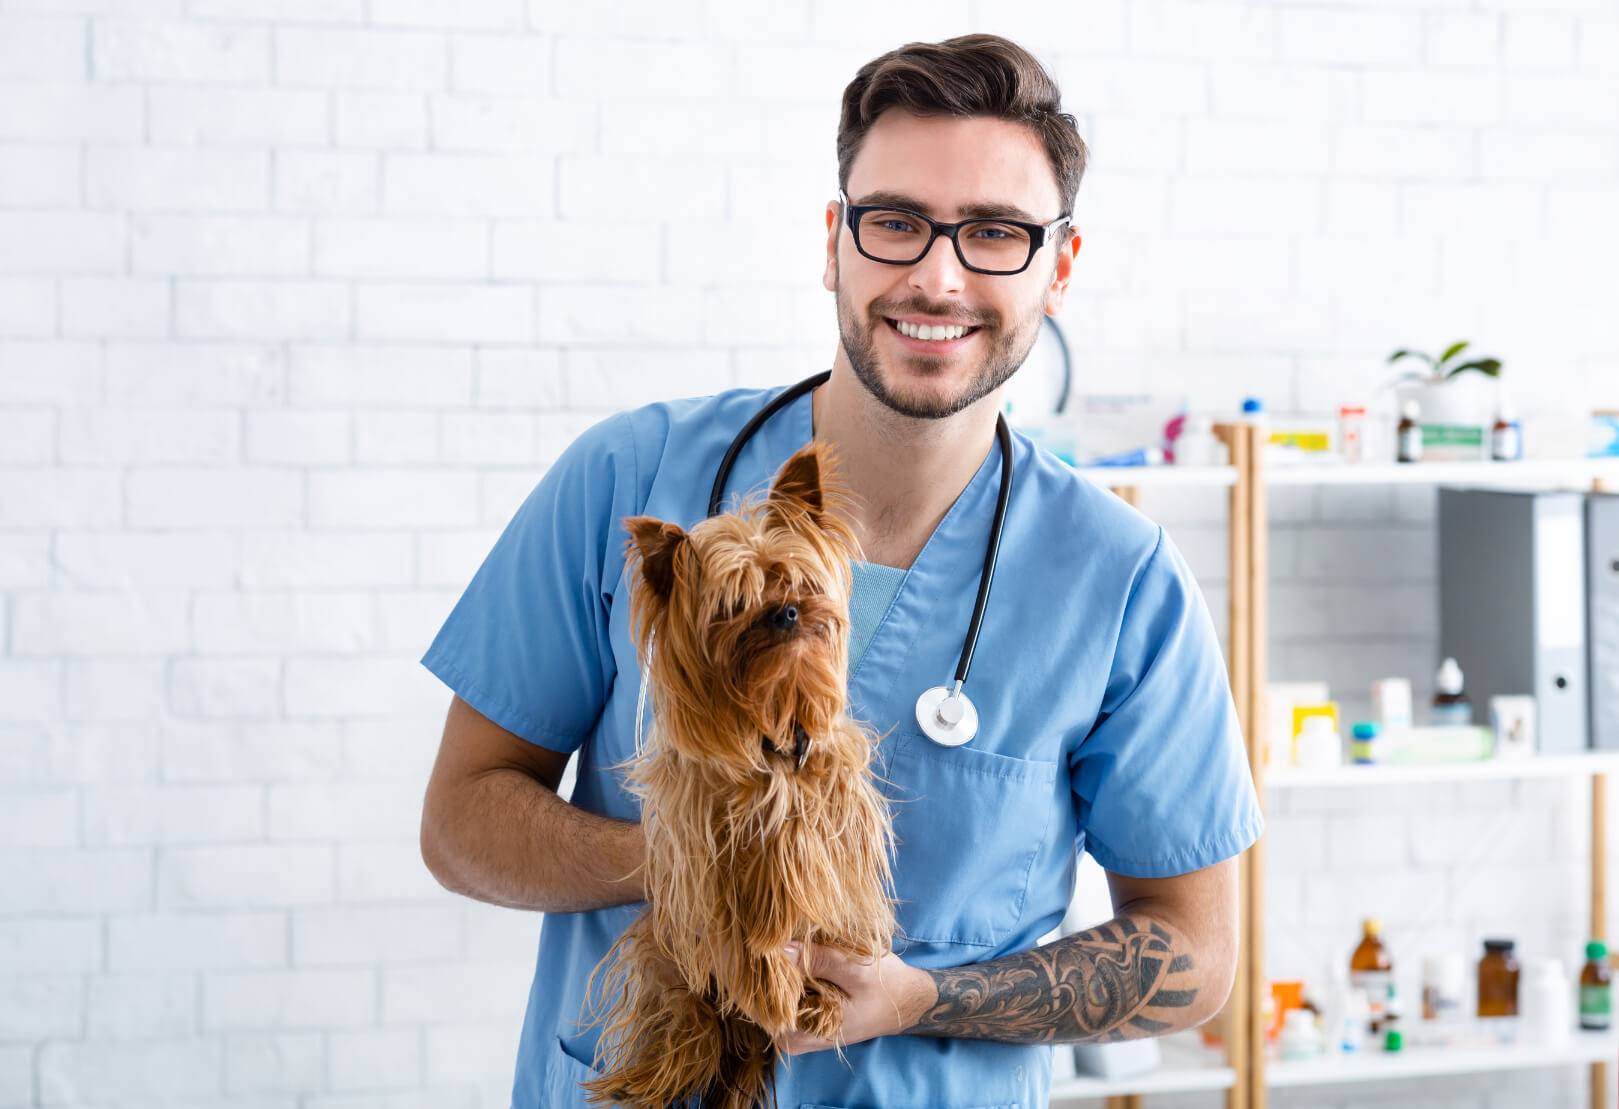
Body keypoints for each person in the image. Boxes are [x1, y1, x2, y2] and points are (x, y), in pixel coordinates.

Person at [419, 32, 1263, 1109]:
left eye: (995, 232)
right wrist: (693, 859)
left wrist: (924, 996)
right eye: (895, 221)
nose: (937, 276)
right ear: (834, 242)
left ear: (1057, 267)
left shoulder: (1120, 579)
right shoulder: (627, 477)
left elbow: (1194, 951)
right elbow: (461, 820)